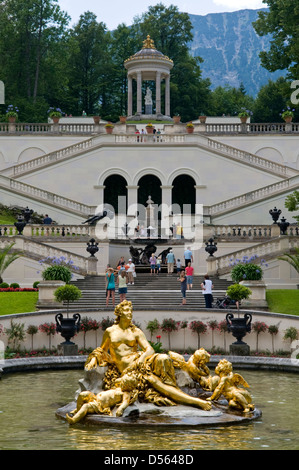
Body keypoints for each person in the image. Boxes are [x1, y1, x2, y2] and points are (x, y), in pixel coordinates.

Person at [85, 300, 211, 411]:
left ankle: (174, 389)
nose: (130, 313)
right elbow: (101, 350)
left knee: (164, 358)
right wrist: (93, 360)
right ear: (119, 313)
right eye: (127, 310)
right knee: (154, 382)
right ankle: (195, 402)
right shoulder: (110, 331)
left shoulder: (136, 331)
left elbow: (149, 349)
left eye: (131, 310)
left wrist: (140, 359)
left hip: (140, 361)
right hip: (128, 370)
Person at [66, 372, 139, 423]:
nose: (122, 385)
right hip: (95, 397)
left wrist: (120, 409)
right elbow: (117, 381)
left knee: (86, 406)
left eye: (125, 384)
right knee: (82, 394)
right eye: (123, 383)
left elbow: (125, 403)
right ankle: (78, 411)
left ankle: (74, 420)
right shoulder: (119, 387)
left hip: (100, 405)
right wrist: (125, 378)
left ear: (130, 387)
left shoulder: (126, 393)